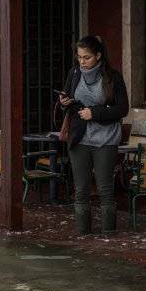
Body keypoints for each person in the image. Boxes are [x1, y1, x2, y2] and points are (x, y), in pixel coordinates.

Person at [59, 36, 129, 235]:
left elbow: (123, 109)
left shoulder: (113, 77)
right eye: (79, 57)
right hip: (79, 138)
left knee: (105, 190)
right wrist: (64, 101)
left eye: (87, 57)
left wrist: (94, 113)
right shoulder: (73, 73)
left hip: (105, 139)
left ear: (98, 55)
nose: (82, 61)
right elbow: (66, 95)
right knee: (81, 190)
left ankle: (108, 236)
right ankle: (83, 235)